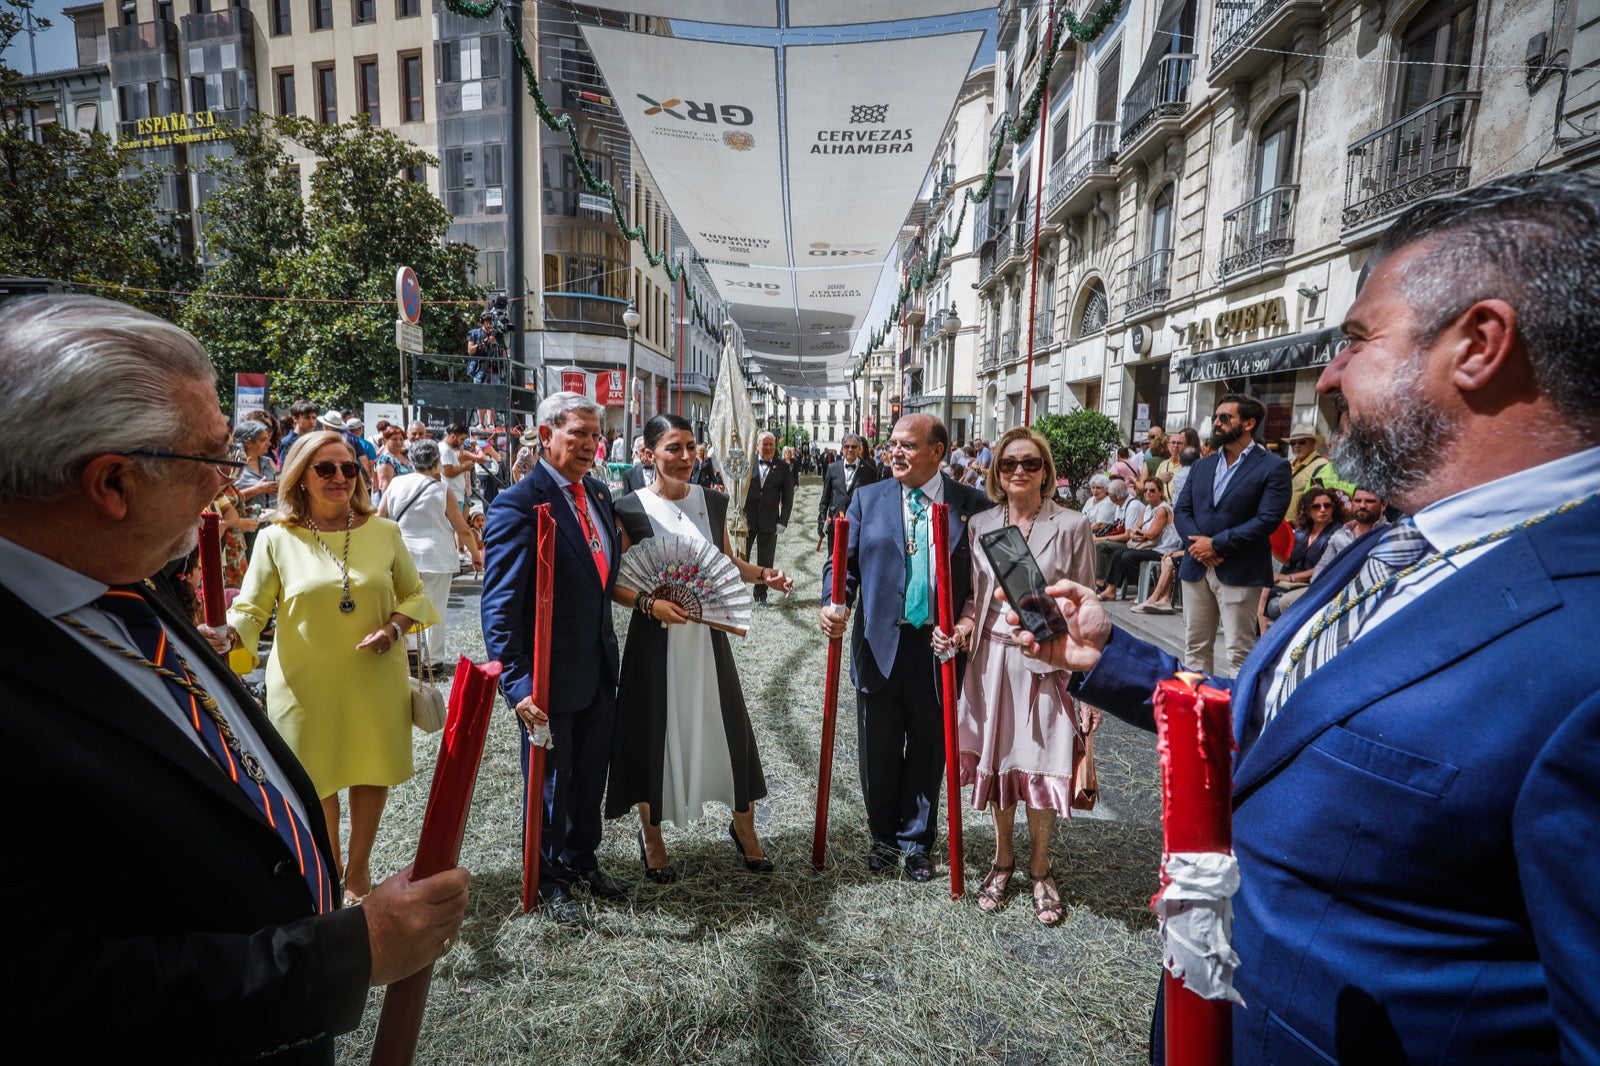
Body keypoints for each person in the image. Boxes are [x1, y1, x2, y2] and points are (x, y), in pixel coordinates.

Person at [1006, 171, 1600, 1063]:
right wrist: (1105, 658)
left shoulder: (1582, 638)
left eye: (1357, 340)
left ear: (1479, 343)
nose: (1326, 373)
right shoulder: (1394, 546)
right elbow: (1280, 731)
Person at [0, 295, 467, 1062]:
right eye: (213, 457)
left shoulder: (128, 586)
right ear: (112, 485)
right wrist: (346, 956)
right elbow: (46, 995)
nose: (227, 483)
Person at [223, 430, 441, 906]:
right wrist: (227, 635)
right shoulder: (277, 537)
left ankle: (359, 871)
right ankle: (330, 867)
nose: (340, 477)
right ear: (301, 477)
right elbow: (251, 608)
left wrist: (394, 628)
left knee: (369, 770)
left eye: (348, 468)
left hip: (374, 677)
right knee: (314, 778)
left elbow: (414, 594)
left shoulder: (384, 532)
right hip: (304, 684)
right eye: (326, 468)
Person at [608, 414, 794, 881]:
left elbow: (725, 560)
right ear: (648, 454)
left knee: (728, 727)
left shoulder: (712, 501)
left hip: (708, 636)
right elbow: (614, 583)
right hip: (654, 640)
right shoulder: (628, 507)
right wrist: (650, 605)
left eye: (691, 447)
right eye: (674, 448)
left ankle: (745, 829)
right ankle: (652, 837)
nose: (687, 457)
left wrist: (763, 575)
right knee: (655, 731)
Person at [929, 427, 1096, 924]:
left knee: (1045, 765)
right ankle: (1003, 859)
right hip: (990, 664)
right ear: (996, 472)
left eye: (1030, 463)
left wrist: (1089, 689)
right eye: (1008, 464)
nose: (1019, 471)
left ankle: (1040, 867)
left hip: (1049, 666)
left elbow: (1087, 607)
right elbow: (972, 600)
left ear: (1046, 469)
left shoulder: (1072, 525)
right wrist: (958, 632)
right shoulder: (980, 524)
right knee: (1000, 765)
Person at [818, 414, 993, 880]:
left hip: (939, 648)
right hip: (879, 645)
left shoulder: (971, 506)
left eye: (908, 445)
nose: (895, 452)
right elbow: (843, 567)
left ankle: (917, 842)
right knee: (878, 747)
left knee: (928, 748)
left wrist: (964, 625)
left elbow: (986, 581)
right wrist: (833, 603)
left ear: (938, 451)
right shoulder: (866, 499)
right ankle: (882, 838)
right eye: (892, 444)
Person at [481, 391, 626, 924]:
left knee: (590, 776)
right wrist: (517, 684)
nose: (592, 444)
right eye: (579, 435)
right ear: (546, 436)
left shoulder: (600, 496)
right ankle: (547, 879)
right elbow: (499, 607)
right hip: (546, 676)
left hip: (597, 667)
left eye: (596, 434)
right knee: (550, 783)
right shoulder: (519, 504)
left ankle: (581, 860)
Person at [1174, 394, 1292, 676]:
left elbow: (1267, 520)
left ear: (1249, 423)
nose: (1216, 423)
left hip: (1240, 569)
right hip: (1196, 567)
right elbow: (1181, 510)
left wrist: (1216, 544)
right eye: (1216, 417)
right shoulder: (1202, 465)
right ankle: (1197, 712)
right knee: (1195, 647)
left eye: (1225, 418)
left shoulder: (1273, 467)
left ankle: (1238, 718)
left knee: (1239, 652)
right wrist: (1197, 546)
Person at [377, 439, 480, 669]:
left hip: (402, 555)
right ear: (436, 462)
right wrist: (475, 554)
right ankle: (432, 659)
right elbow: (461, 527)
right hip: (436, 555)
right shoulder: (441, 489)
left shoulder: (395, 484)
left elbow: (380, 518)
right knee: (435, 607)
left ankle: (410, 653)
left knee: (404, 605)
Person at [1258, 486, 1346, 629]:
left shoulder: (1339, 533)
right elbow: (1288, 559)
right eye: (1316, 506)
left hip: (1313, 582)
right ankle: (1263, 638)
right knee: (1259, 590)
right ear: (1308, 510)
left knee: (1280, 600)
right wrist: (1273, 547)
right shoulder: (1302, 531)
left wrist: (1290, 577)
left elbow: (1327, 566)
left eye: (1327, 505)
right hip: (1290, 579)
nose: (1322, 510)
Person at [1102, 478, 1183, 600]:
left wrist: (1138, 533)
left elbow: (1151, 534)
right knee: (1118, 553)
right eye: (1145, 490)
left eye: (1152, 490)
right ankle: (1111, 590)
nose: (1148, 493)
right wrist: (1136, 534)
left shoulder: (1162, 509)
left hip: (1162, 548)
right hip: (1149, 546)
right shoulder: (1147, 508)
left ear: (1160, 492)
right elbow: (1135, 529)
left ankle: (1147, 589)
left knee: (1128, 557)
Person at [741, 431, 793, 606]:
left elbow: (788, 497)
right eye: (765, 444)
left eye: (771, 444)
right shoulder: (747, 464)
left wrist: (782, 521)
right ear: (757, 446)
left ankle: (761, 595)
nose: (768, 447)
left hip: (770, 522)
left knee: (765, 560)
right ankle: (738, 594)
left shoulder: (783, 467)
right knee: (742, 558)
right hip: (747, 520)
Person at [816, 433, 877, 553]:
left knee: (854, 561)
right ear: (842, 449)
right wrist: (822, 520)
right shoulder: (832, 468)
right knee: (834, 560)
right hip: (835, 524)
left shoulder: (870, 472)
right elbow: (825, 498)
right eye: (847, 446)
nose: (850, 449)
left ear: (860, 449)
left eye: (854, 447)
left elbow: (872, 502)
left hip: (859, 525)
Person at [1283, 423, 1333, 522]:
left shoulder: (1322, 465)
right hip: (1282, 525)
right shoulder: (1287, 465)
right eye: (1292, 443)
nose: (1296, 446)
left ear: (1313, 443)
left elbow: (1323, 498)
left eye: (1301, 442)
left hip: (1303, 526)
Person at [373, 424, 414, 499]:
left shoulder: (405, 456)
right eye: (394, 439)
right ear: (385, 441)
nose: (398, 442)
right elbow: (384, 487)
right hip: (396, 502)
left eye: (401, 439)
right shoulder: (386, 460)